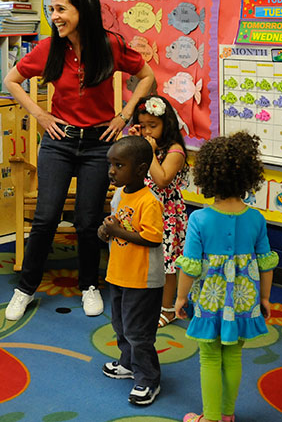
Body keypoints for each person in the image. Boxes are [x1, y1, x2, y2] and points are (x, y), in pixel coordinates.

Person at [3, 0, 156, 320]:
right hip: (59, 141)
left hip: (100, 143)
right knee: (46, 218)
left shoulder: (111, 45)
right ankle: (25, 288)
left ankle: (89, 285)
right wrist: (39, 114)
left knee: (88, 221)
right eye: (51, 9)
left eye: (61, 9)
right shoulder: (49, 48)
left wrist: (126, 114)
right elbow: (11, 80)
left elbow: (146, 76)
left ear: (82, 9)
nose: (54, 16)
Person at [174, 132, 277, 422]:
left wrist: (180, 298)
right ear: (248, 177)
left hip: (210, 300)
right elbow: (266, 263)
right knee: (233, 356)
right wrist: (266, 298)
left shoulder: (200, 219)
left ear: (207, 176)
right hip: (245, 300)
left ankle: (209, 418)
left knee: (209, 357)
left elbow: (191, 266)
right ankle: (227, 415)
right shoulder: (256, 218)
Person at [97, 136, 164, 406]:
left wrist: (117, 231)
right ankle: (127, 363)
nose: (112, 170)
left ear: (140, 168)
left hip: (143, 279)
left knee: (139, 332)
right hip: (119, 273)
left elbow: (153, 238)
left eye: (119, 165)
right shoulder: (119, 194)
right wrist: (106, 231)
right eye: (110, 164)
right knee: (120, 325)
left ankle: (148, 379)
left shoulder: (149, 201)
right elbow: (115, 227)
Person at [128, 95, 188, 327]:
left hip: (167, 215)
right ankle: (149, 302)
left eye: (153, 126)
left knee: (167, 264)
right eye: (143, 127)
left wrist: (149, 152)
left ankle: (168, 308)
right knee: (146, 260)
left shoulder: (174, 150)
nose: (147, 132)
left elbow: (162, 179)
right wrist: (135, 145)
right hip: (143, 209)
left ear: (167, 124)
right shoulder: (144, 144)